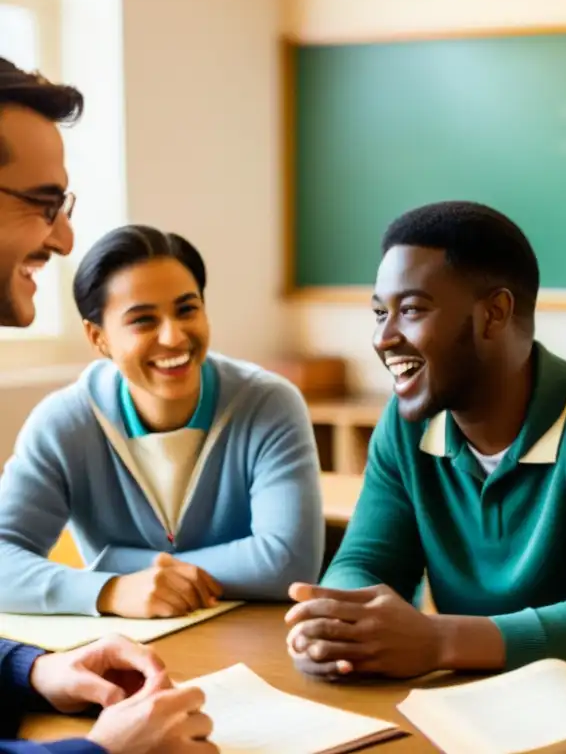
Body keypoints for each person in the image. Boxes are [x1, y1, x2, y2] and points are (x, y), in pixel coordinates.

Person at [285, 199, 566, 680]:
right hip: (488, 701)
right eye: (378, 313)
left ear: (494, 314)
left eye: (410, 310)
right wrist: (332, 623)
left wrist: (435, 641)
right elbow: (365, 562)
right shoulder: (408, 424)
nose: (383, 337)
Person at [0, 56, 215, 752]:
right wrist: (101, 752)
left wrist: (35, 671)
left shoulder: (263, 401)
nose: (64, 238)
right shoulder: (66, 418)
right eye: (42, 203)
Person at [0, 223, 325, 618]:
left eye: (187, 309)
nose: (173, 337)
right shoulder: (64, 423)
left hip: (254, 641)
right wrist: (111, 591)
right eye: (143, 320)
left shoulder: (268, 403)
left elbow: (288, 561)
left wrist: (120, 563)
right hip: (131, 649)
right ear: (97, 337)